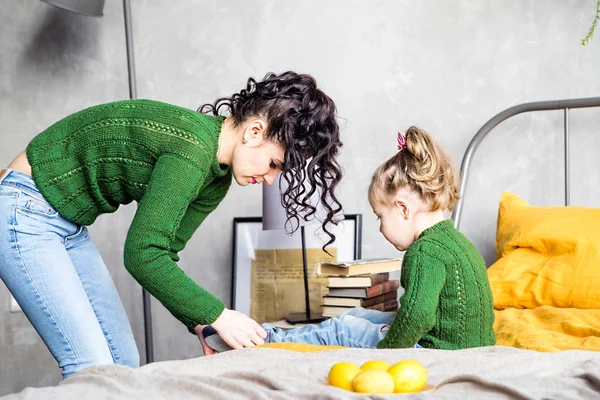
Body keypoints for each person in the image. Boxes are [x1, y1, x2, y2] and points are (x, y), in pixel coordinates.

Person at [0, 71, 343, 379]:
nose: (270, 180)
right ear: (255, 132)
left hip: (67, 224)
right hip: (23, 208)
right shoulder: (191, 150)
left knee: (121, 362)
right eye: (273, 164)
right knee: (90, 366)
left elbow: (165, 251)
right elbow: (141, 254)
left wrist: (202, 321)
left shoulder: (217, 176)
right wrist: (219, 314)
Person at [202, 126, 495, 354]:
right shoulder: (456, 242)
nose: (380, 228)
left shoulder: (425, 252)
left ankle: (259, 341)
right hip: (460, 345)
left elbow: (418, 316)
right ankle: (263, 334)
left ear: (403, 208)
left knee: (342, 329)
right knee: (357, 314)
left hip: (435, 352)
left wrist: (386, 354)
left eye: (381, 216)